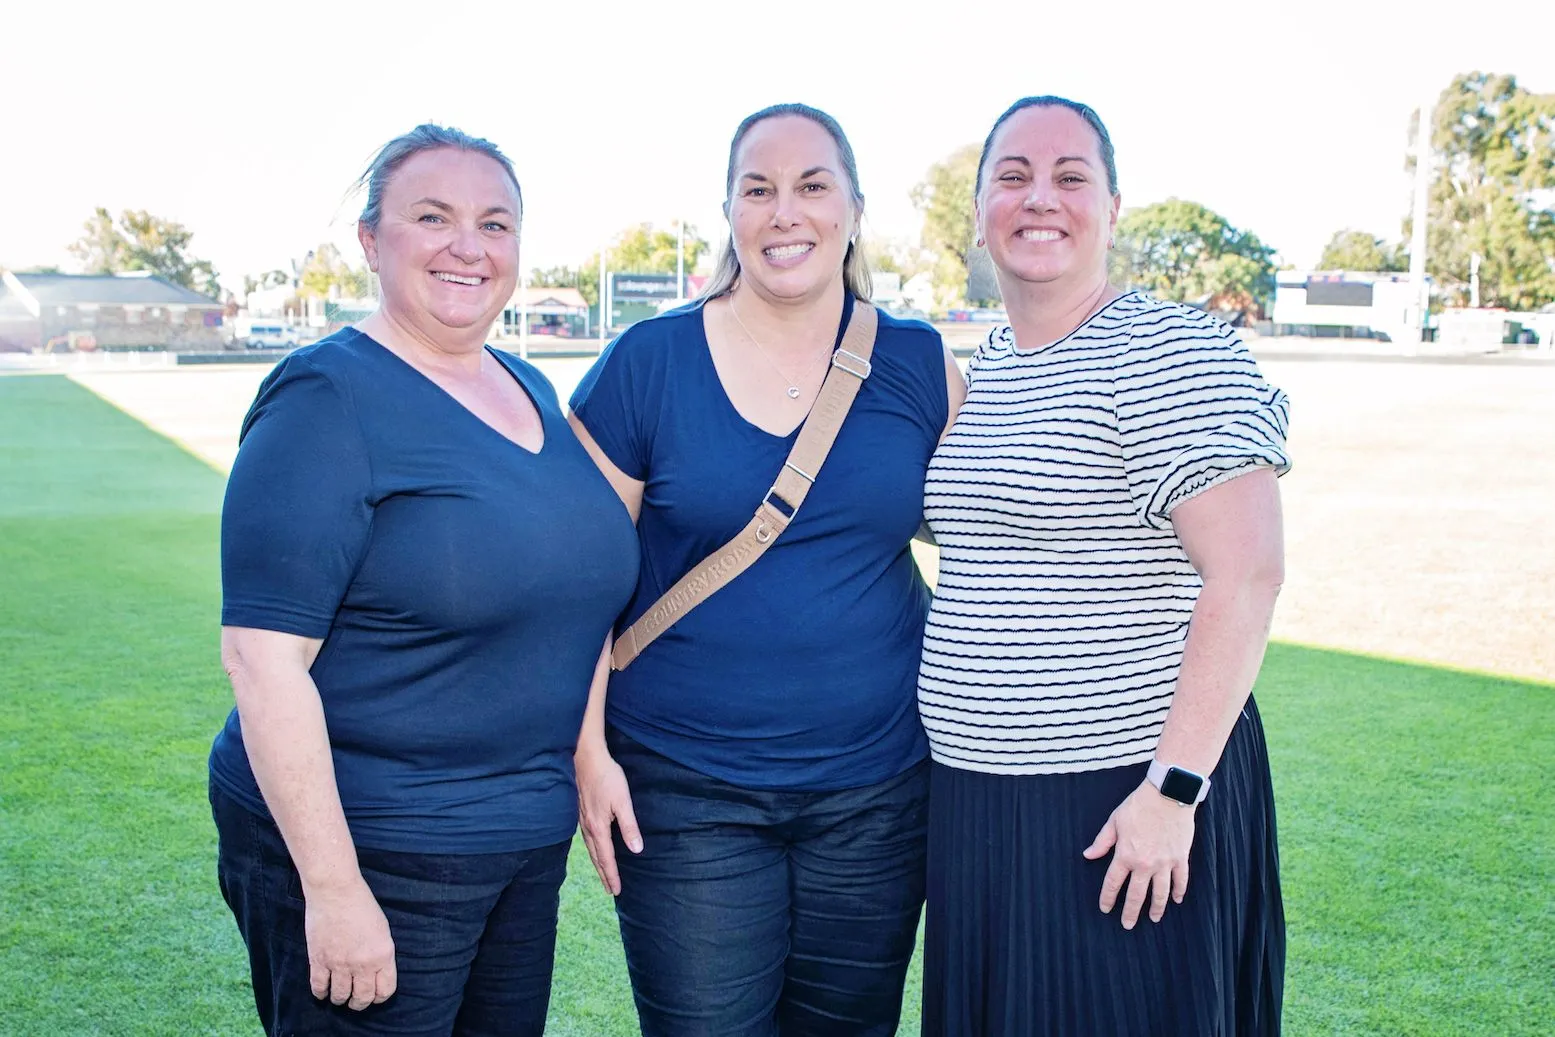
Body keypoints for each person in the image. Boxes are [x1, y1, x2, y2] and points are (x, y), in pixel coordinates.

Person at [209, 124, 639, 1035]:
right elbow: (261, 660)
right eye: (431, 217)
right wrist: (331, 888)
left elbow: (574, 592)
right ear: (371, 240)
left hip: (518, 841)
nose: (467, 246)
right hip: (377, 846)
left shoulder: (527, 387)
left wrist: (586, 751)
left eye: (495, 222)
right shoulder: (327, 397)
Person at [566, 102, 966, 1036]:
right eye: (759, 189)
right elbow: (576, 583)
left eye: (811, 185)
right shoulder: (646, 363)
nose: (785, 211)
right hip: (683, 787)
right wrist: (588, 754)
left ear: (854, 209)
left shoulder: (918, 361)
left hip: (878, 791)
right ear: (731, 213)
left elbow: (996, 544)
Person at [919, 96, 1290, 1036]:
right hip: (976, 806)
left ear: (1112, 208)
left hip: (1123, 797)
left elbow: (1246, 575)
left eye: (1070, 176)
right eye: (1012, 176)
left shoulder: (1165, 347)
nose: (1039, 197)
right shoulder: (986, 365)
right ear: (978, 210)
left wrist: (1173, 789)